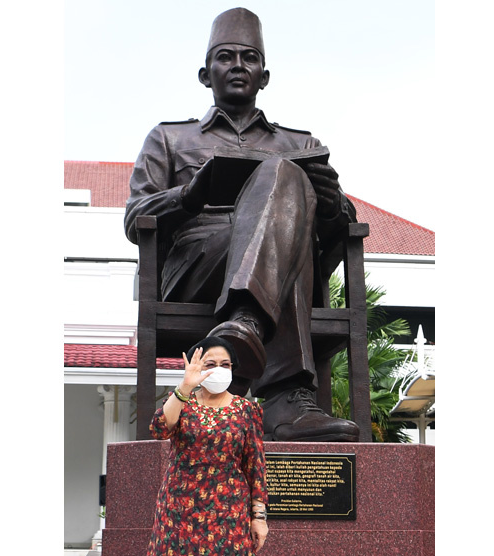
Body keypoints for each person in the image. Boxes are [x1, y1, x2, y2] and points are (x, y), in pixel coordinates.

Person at [125, 7, 359, 442]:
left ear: (264, 76)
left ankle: (247, 325)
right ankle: (285, 395)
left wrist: (332, 205)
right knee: (283, 205)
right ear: (204, 73)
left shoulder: (300, 143)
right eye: (225, 57)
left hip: (286, 260)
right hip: (199, 262)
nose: (237, 66)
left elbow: (340, 225)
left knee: (283, 175)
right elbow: (134, 216)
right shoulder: (169, 138)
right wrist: (188, 195)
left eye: (249, 58)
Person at [147, 336, 268, 555]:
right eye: (210, 364)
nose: (218, 370)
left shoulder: (247, 410)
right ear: (197, 368)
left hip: (229, 508)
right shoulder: (182, 402)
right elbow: (159, 429)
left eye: (225, 365)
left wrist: (258, 517)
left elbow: (256, 467)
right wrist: (184, 387)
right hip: (179, 506)